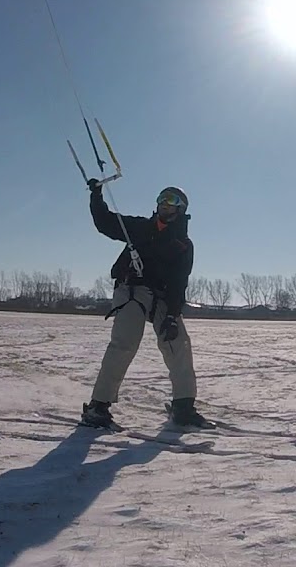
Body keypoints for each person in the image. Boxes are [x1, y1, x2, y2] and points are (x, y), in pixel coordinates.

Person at [80, 179, 213, 430]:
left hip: (162, 297)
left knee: (179, 343)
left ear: (181, 208)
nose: (165, 204)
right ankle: (98, 406)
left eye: (172, 200)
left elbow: (179, 283)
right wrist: (96, 196)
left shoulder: (184, 245)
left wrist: (172, 317)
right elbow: (105, 222)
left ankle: (183, 407)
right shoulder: (141, 226)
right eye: (163, 198)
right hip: (133, 289)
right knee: (125, 342)